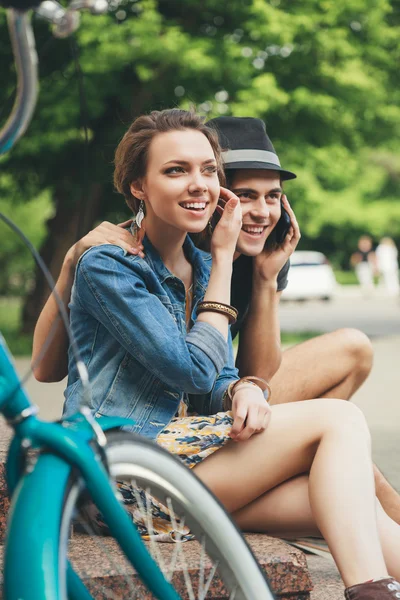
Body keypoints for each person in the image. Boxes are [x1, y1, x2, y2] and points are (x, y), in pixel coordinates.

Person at [34, 108, 400, 598]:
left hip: (179, 465)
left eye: (208, 169)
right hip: (119, 470)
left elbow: (216, 379)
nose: (198, 183)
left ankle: (376, 589)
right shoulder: (113, 263)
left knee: (347, 502)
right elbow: (188, 370)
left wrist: (242, 388)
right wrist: (225, 260)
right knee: (339, 419)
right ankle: (369, 591)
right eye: (175, 170)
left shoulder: (200, 264)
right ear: (138, 186)